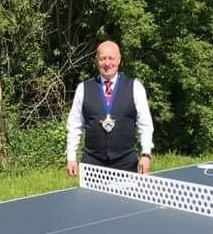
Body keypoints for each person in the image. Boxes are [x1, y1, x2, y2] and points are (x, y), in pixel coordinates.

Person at [65, 40, 154, 176]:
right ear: (97, 61)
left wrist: (146, 154)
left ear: (119, 59)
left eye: (111, 58)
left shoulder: (135, 87)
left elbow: (145, 124)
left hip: (126, 163)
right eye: (103, 59)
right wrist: (71, 157)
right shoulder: (83, 88)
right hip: (92, 165)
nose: (107, 63)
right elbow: (74, 126)